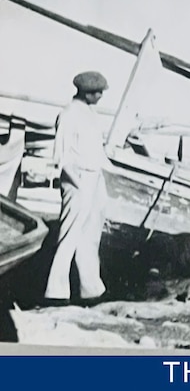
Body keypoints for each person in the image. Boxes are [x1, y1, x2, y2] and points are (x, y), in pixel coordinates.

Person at [43, 71, 110, 307]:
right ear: (85, 92)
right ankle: (56, 291)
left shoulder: (92, 115)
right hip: (77, 178)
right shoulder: (69, 114)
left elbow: (97, 151)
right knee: (70, 234)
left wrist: (99, 183)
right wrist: (79, 185)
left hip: (94, 176)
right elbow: (63, 157)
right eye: (97, 92)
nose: (101, 96)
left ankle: (91, 288)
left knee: (90, 236)